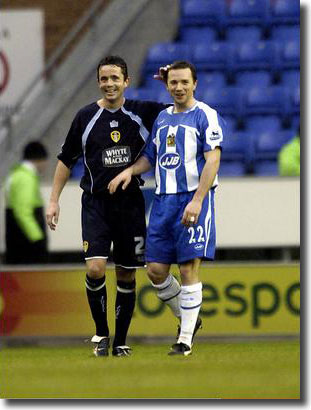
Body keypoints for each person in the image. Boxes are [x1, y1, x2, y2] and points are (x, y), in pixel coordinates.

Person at [46, 55, 169, 357]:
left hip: (130, 205)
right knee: (96, 267)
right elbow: (65, 159)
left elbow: (184, 109)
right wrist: (53, 200)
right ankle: (101, 333)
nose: (109, 84)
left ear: (126, 81)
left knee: (127, 274)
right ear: (98, 82)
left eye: (115, 78)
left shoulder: (142, 112)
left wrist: (169, 84)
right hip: (95, 204)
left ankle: (121, 341)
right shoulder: (85, 117)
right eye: (104, 78)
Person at [108, 60, 225, 356]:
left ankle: (184, 340)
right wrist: (130, 171)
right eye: (174, 82)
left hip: (192, 198)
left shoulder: (206, 116)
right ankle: (190, 318)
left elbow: (213, 160)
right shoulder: (162, 118)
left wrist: (198, 200)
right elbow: (150, 156)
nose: (179, 87)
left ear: (195, 84)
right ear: (168, 84)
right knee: (156, 271)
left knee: (188, 268)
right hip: (162, 202)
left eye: (185, 82)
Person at [5, 141, 49, 264]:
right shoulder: (25, 178)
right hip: (26, 244)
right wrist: (38, 239)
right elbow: (22, 212)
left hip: (17, 240)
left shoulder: (16, 174)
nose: (46, 165)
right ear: (39, 159)